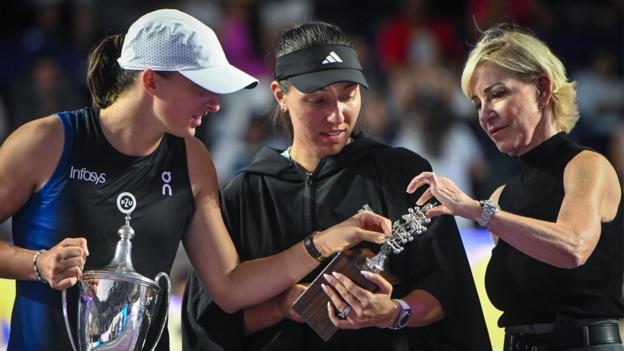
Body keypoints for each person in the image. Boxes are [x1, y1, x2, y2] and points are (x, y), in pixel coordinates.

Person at [0, 10, 392, 351]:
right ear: (151, 82)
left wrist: (326, 240)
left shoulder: (192, 159)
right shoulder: (46, 141)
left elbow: (231, 286)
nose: (216, 103)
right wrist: (37, 263)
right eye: (201, 87)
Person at [182, 21, 491, 351]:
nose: (337, 115)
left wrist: (393, 312)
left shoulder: (401, 174)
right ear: (280, 96)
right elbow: (208, 324)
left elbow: (450, 293)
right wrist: (280, 307)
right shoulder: (246, 194)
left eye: (348, 95)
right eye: (317, 101)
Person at [407, 24, 623, 351]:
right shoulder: (501, 197)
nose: (485, 114)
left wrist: (479, 212)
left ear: (542, 89)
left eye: (497, 94)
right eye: (477, 102)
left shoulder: (586, 166)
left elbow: (573, 247)